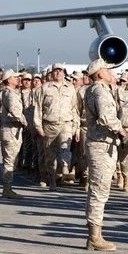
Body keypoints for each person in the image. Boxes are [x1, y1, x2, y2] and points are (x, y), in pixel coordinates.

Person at [83, 58, 126, 251]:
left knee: (98, 191)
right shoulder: (99, 90)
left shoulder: (94, 90)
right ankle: (94, 237)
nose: (111, 73)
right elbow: (106, 116)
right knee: (99, 191)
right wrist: (121, 129)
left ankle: (95, 234)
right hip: (101, 145)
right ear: (100, 73)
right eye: (107, 70)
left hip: (101, 144)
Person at [33, 63, 79, 191]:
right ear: (52, 73)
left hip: (66, 123)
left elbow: (74, 108)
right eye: (55, 71)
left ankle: (65, 168)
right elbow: (38, 109)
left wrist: (76, 126)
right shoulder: (44, 88)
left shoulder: (70, 88)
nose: (58, 73)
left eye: (60, 71)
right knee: (50, 154)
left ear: (64, 73)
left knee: (65, 147)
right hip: (49, 124)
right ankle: (52, 178)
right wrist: (38, 127)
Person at [0, 70, 27, 199]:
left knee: (10, 160)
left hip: (12, 130)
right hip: (11, 130)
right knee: (9, 161)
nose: (17, 79)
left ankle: (7, 186)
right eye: (15, 77)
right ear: (8, 80)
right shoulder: (9, 94)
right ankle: (7, 188)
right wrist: (24, 121)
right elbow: (14, 111)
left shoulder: (10, 93)